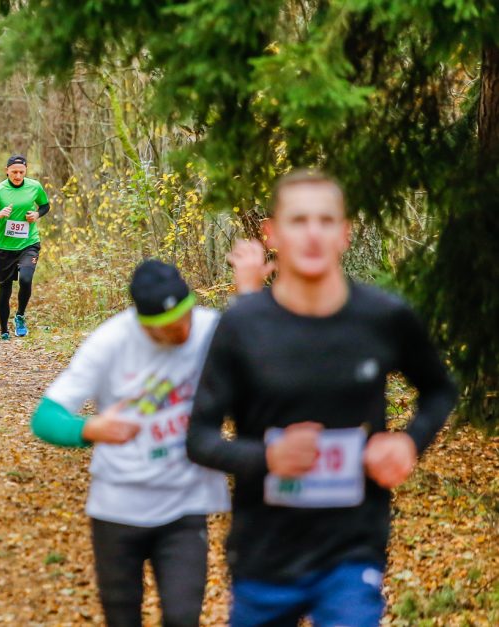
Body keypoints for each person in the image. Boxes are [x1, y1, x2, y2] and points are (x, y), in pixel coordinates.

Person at [186, 169, 458, 627]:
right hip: (264, 553)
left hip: (352, 549)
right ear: (272, 233)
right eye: (298, 221)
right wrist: (270, 456)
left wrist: (409, 441)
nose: (313, 234)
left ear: (345, 232)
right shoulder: (242, 326)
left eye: (326, 220)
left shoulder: (383, 316)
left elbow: (439, 389)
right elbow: (199, 439)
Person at [31, 248, 267, 627]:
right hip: (117, 508)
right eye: (170, 328)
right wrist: (88, 429)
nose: (183, 331)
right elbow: (45, 417)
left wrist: (249, 295)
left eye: (186, 317)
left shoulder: (209, 327)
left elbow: (264, 354)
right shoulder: (109, 342)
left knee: (181, 618)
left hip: (185, 506)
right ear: (143, 323)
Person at [0, 155, 50, 340]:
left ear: (25, 172)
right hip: (5, 247)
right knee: (5, 289)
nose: (18, 175)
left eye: (21, 172)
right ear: (7, 171)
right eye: (14, 172)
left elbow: (45, 205)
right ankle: (4, 329)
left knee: (26, 279)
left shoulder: (34, 186)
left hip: (29, 243)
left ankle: (20, 315)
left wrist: (36, 214)